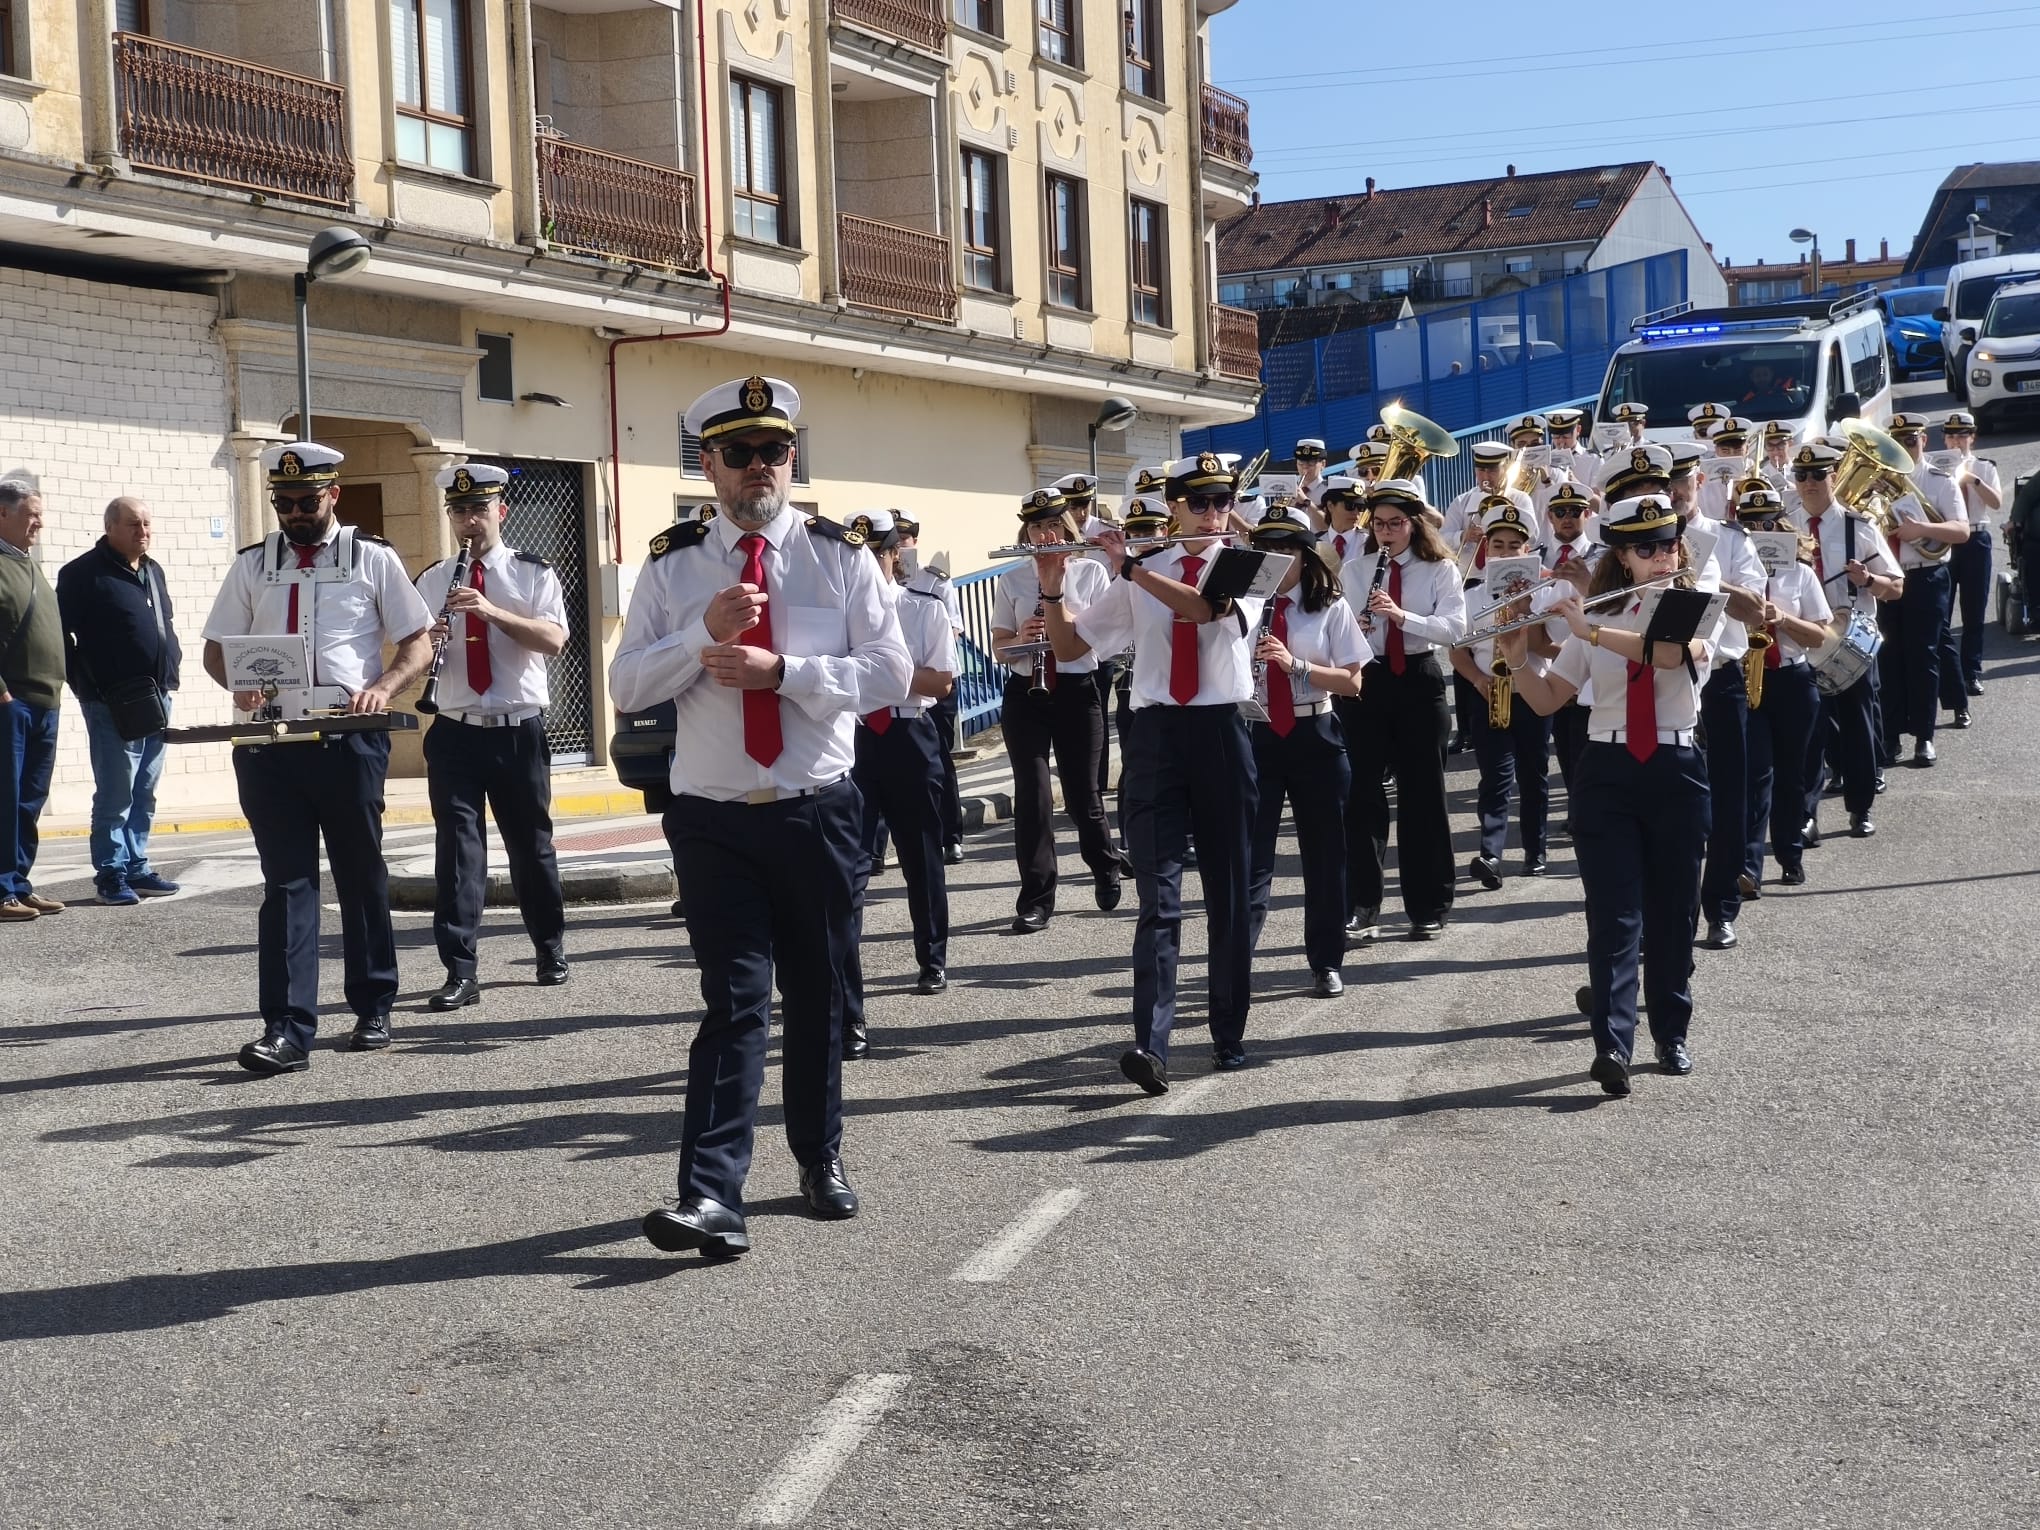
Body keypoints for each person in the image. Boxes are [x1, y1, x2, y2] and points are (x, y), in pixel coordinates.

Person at [611, 376, 911, 1259]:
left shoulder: (842, 556)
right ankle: (709, 1196)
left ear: (791, 458)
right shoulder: (672, 567)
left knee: (816, 994)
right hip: (713, 820)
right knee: (735, 1001)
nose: (758, 469)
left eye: (773, 451)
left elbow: (891, 675)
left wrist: (787, 674)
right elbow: (626, 687)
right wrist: (696, 640)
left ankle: (819, 1157)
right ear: (707, 465)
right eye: (737, 453)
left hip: (816, 811)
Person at [201, 442, 435, 1072]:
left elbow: (417, 641)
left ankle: (374, 1000)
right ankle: (286, 1029)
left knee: (360, 871)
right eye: (284, 503)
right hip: (268, 740)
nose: (295, 513)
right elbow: (218, 649)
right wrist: (236, 685)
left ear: (334, 495)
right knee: (286, 882)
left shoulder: (374, 559)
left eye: (306, 501)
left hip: (346, 736)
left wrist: (384, 688)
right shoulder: (252, 564)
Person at [1039, 451, 1261, 1092]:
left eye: (1223, 502)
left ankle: (1228, 1032)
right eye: (1202, 503)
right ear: (1175, 506)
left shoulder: (1243, 566)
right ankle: (1151, 1045)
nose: (1216, 514)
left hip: (1222, 730)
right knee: (1158, 901)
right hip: (1157, 735)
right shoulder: (1143, 572)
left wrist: (1128, 566)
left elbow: (1202, 611)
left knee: (1225, 895)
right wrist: (1054, 584)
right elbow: (1072, 646)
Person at [1498, 495, 1719, 1098]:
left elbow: (1673, 657)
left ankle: (1671, 1032)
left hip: (1676, 765)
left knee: (1674, 912)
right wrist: (1517, 660)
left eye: (1667, 544)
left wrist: (1590, 628)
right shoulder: (1600, 614)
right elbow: (1549, 700)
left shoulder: (1697, 608)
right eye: (1644, 548)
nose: (1659, 556)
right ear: (1621, 556)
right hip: (1608, 767)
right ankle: (1612, 1045)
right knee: (1615, 917)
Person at [412, 463, 571, 1012]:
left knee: (531, 847)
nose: (468, 520)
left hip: (516, 731)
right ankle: (460, 970)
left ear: (500, 512)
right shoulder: (432, 578)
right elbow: (408, 655)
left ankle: (549, 947)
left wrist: (490, 611)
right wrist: (426, 641)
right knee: (457, 854)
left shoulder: (532, 573)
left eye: (479, 509)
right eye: (458, 511)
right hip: (454, 732)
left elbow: (552, 639)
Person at [1241, 502, 1369, 998]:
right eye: (1265, 549)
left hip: (1316, 733)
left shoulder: (1329, 605)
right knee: (1254, 857)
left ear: (1304, 554)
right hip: (1260, 733)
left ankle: (1326, 960)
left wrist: (1296, 665)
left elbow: (1354, 682)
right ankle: (1239, 960)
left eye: (1284, 550)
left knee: (1324, 854)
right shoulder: (1245, 605)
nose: (1274, 559)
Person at [992, 487, 1128, 933]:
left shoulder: (1089, 573)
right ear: (1025, 532)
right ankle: (1035, 899)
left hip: (1075, 688)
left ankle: (1105, 864)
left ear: (1065, 527)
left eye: (1053, 525)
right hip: (1025, 690)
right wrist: (1020, 638)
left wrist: (1054, 604)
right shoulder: (1012, 579)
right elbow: (999, 647)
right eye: (1036, 526)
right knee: (1031, 797)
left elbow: (1089, 637)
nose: (1045, 534)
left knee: (1081, 794)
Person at [845, 508, 955, 1053]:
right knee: (849, 869)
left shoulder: (921, 607)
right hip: (855, 740)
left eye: (878, 551)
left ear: (894, 555)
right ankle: (844, 990)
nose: (869, 561)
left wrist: (887, 672)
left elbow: (941, 681)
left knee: (921, 854)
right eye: (859, 552)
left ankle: (931, 957)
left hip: (910, 735)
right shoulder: (835, 612)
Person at [1343, 478, 1466, 941]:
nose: (1387, 533)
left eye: (1396, 524)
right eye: (1379, 524)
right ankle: (1362, 902)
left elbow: (1454, 627)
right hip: (1369, 682)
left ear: (1414, 526)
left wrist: (1400, 616)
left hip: (1418, 680)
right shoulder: (1356, 570)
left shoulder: (1439, 570)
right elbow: (1338, 632)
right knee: (1362, 796)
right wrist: (1354, 629)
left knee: (1423, 796)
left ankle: (1428, 904)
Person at [56, 496, 182, 906]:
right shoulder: (82, 574)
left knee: (145, 789)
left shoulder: (152, 570)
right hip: (111, 702)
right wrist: (86, 689)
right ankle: (110, 873)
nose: (142, 531)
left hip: (157, 696)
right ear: (109, 527)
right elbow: (62, 638)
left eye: (147, 523)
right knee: (116, 792)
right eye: (132, 524)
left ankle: (136, 866)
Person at [1683, 443, 1770, 952]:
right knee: (1674, 798)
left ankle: (1720, 908)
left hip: (1720, 676)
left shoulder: (1729, 539)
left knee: (1729, 792)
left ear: (1699, 480)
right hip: (1666, 676)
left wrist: (1709, 582)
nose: (1673, 493)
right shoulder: (1642, 543)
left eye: (1681, 482)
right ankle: (1669, 912)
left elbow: (1756, 612)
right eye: (1663, 485)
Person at [1796, 442, 1901, 839]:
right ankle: (1808, 816)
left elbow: (1896, 588)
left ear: (1833, 477)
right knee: (1809, 732)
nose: (1808, 484)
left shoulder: (1858, 526)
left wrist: (1869, 580)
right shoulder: (1784, 525)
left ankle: (1860, 808)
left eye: (1817, 475)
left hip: (1851, 642)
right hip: (1803, 640)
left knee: (1858, 727)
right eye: (1801, 476)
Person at [1732, 482, 1831, 891]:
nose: (1759, 528)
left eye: (1766, 520)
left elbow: (1820, 636)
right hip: (1748, 678)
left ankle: (1790, 854)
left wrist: (1782, 619)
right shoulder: (1732, 576)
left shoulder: (1801, 573)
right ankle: (1750, 868)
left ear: (1780, 523)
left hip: (1791, 677)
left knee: (1791, 774)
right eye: (1749, 523)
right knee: (1756, 776)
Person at [1450, 500, 1552, 886]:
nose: (1506, 553)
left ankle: (1535, 851)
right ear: (1486, 549)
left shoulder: (1542, 592)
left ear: (1527, 551)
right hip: (1488, 690)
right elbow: (1457, 650)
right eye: (1498, 546)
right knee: (1494, 776)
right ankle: (1490, 854)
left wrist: (1525, 608)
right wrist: (1477, 680)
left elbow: (1545, 648)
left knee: (1533, 773)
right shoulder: (1472, 594)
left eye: (1514, 547)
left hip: (1531, 691)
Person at [1875, 413, 1969, 769]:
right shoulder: (1877, 481)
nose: (1904, 447)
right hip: (1887, 578)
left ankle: (1924, 737)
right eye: (1896, 441)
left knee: (1924, 656)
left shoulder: (1939, 479)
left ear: (1923, 441)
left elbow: (1961, 531)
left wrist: (1921, 529)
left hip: (1926, 574)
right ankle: (1891, 736)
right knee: (1889, 657)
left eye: (1910, 440)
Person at [0, 479, 65, 922]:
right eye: (30, 513)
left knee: (29, 799)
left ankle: (19, 883)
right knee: (6, 798)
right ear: (2, 514)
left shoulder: (29, 564)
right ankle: (2, 889)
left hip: (46, 700)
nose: (38, 521)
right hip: (11, 701)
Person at [893, 509, 965, 865]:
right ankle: (876, 848)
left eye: (904, 539)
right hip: (891, 693)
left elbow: (952, 628)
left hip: (934, 679)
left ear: (914, 541)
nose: (899, 548)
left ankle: (951, 835)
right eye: (893, 540)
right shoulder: (869, 579)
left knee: (939, 760)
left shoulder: (935, 581)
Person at [1935, 410, 2000, 716]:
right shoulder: (1936, 469)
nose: (1956, 441)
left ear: (1972, 437)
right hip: (1947, 540)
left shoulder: (1984, 467)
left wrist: (1971, 479)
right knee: (1942, 614)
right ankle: (1947, 676)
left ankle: (1971, 671)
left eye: (1962, 435)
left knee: (1974, 611)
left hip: (1976, 538)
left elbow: (1997, 502)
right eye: (1951, 435)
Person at [1293, 438, 1328, 507]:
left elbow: (1330, 518)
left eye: (1311, 462)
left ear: (1323, 464)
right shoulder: (1290, 489)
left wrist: (1305, 501)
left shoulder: (1328, 490)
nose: (1305, 466)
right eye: (1301, 462)